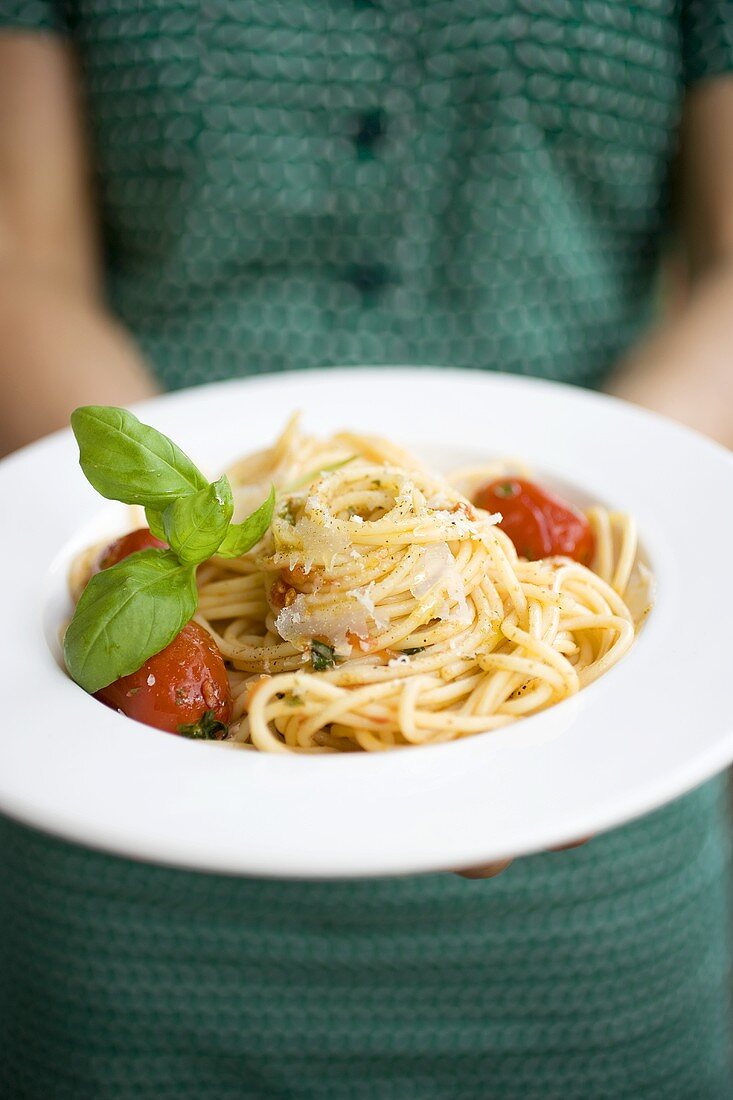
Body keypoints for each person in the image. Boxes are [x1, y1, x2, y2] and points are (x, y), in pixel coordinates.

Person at [0, 4, 731, 1097]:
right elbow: (23, 254)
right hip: (140, 876)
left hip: (583, 905)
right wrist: (174, 544)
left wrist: (588, 527)